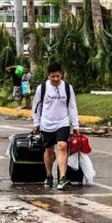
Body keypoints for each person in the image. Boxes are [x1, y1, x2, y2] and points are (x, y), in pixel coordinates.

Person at [31, 61, 80, 190]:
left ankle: (62, 178)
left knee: (62, 146)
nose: (56, 79)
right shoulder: (42, 88)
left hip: (62, 122)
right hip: (46, 122)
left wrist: (75, 125)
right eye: (53, 76)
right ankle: (49, 175)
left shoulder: (68, 88)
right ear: (48, 75)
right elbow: (36, 106)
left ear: (61, 74)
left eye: (58, 76)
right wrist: (36, 123)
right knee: (49, 150)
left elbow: (72, 107)